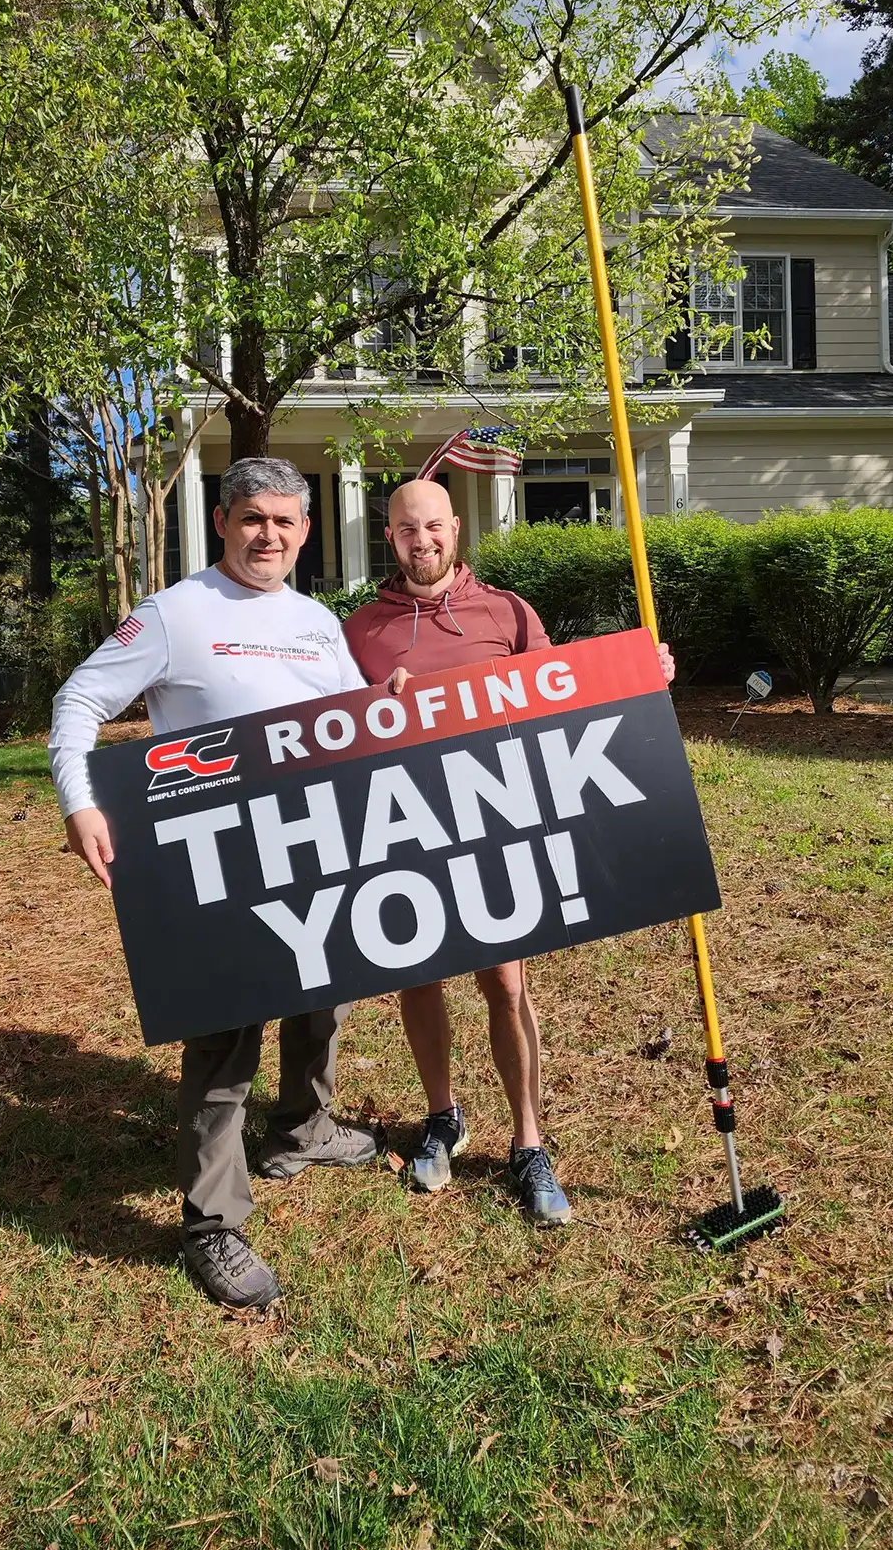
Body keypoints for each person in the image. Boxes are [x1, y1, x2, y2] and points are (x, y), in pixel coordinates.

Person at [48, 457, 379, 1310]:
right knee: (225, 1035)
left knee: (327, 995)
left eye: (284, 520)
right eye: (252, 518)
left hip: (318, 846)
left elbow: (355, 722)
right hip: (220, 858)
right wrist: (81, 803)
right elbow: (78, 701)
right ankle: (212, 1222)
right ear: (224, 521)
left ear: (306, 531)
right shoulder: (175, 613)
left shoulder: (316, 621)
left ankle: (301, 1129)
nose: (268, 534)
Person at [344, 477, 675, 1227]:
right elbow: (331, 730)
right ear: (389, 537)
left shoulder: (508, 612)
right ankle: (442, 1116)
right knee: (418, 975)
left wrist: (639, 676)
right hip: (406, 824)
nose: (421, 540)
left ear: (455, 529)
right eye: (406, 529)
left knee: (505, 980)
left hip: (497, 821)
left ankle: (528, 1141)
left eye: (433, 525)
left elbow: (566, 697)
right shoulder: (360, 630)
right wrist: (374, 704)